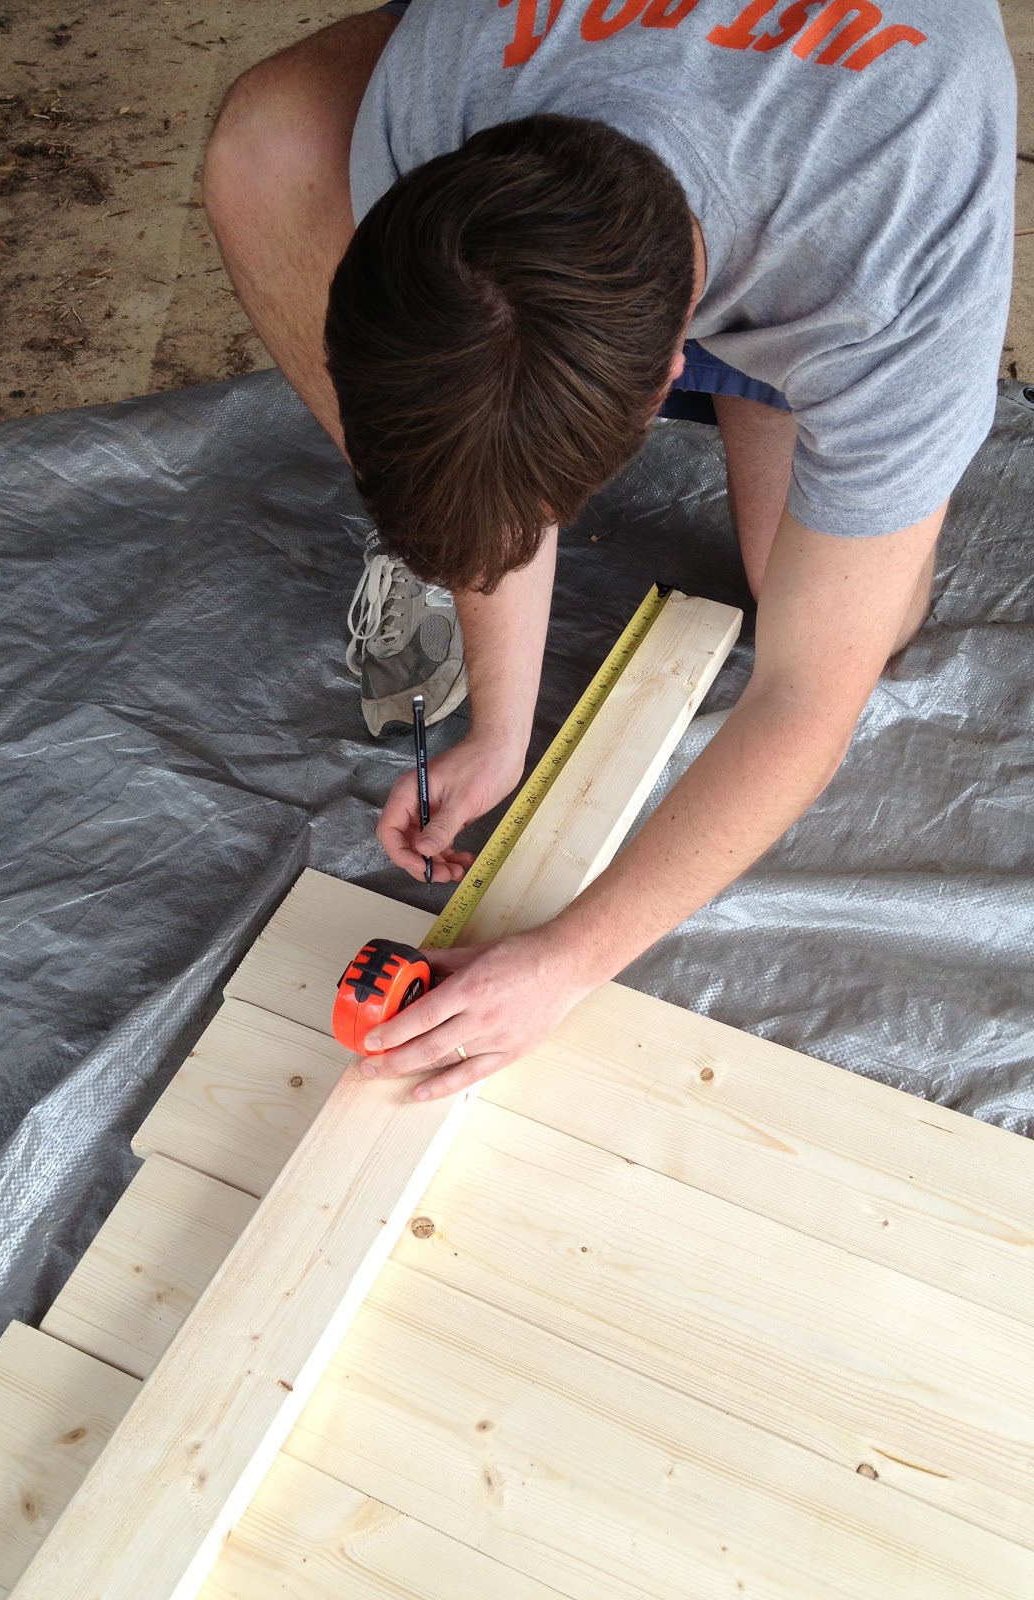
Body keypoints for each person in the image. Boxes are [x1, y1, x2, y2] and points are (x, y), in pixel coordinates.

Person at [203, 0, 1016, 1100]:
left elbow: (808, 696)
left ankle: (772, 400)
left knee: (833, 607)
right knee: (270, 141)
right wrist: (500, 724)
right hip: (654, 148)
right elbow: (492, 395)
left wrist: (568, 964)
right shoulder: (434, 105)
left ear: (664, 383)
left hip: (831, 206)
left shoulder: (893, 251)